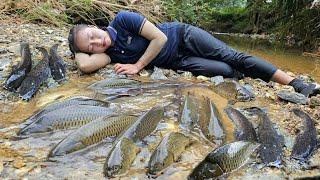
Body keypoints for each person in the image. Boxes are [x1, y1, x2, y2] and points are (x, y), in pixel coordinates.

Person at [68, 10, 319, 97]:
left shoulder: (123, 20)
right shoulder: (112, 53)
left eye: (92, 35)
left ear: (95, 26)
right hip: (179, 61)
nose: (96, 43)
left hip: (182, 36)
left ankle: (296, 83)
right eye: (90, 46)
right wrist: (76, 51)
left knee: (231, 57)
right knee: (227, 71)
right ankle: (254, 72)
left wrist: (137, 66)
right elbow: (85, 65)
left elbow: (160, 38)